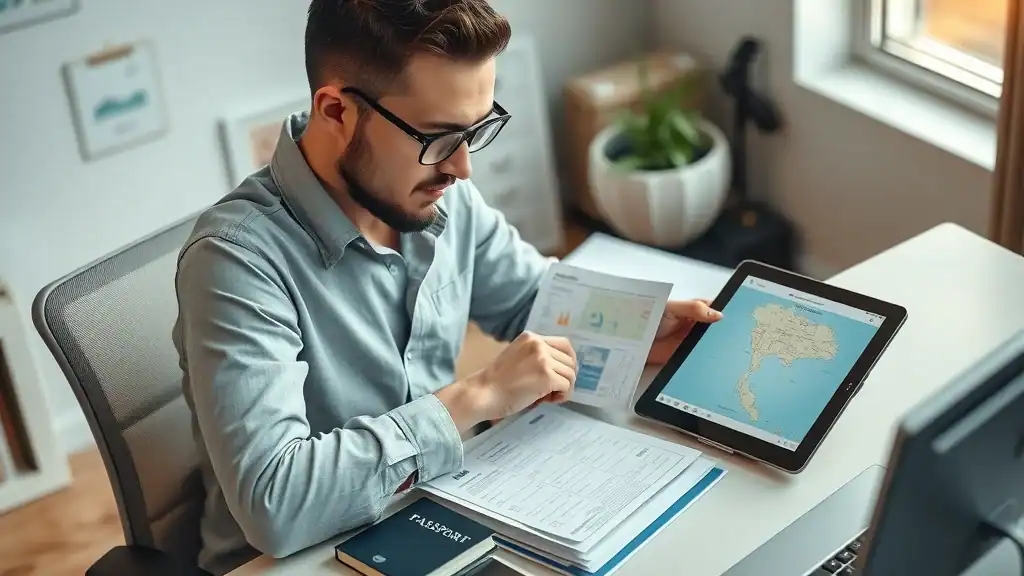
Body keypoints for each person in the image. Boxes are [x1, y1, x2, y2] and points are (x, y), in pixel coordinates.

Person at [171, 0, 723, 573]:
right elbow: (275, 504)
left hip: (438, 510)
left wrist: (636, 330)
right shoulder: (235, 260)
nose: (462, 168)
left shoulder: (436, 193)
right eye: (436, 138)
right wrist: (479, 396)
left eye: (474, 130)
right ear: (336, 111)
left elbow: (529, 299)